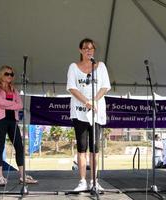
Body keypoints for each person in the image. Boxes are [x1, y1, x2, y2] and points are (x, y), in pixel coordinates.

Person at [66, 38, 111, 191]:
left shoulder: (101, 66)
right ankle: (82, 182)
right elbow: (72, 87)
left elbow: (105, 87)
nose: (88, 50)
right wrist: (86, 101)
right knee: (81, 148)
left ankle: (94, 181)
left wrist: (93, 100)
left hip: (96, 113)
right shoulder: (73, 67)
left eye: (91, 48)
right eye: (85, 48)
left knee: (95, 149)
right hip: (79, 113)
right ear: (80, 50)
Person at [0, 65, 37, 186]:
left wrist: (9, 104)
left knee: (19, 147)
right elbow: (0, 103)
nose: (10, 76)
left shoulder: (14, 90)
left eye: (11, 74)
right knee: (0, 148)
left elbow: (20, 105)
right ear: (1, 74)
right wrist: (12, 104)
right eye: (7, 74)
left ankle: (22, 176)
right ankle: (0, 177)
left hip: (13, 121)